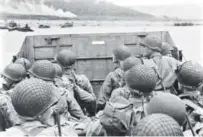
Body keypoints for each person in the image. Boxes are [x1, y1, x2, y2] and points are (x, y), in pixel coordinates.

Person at [1, 78, 78, 136]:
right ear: (41, 114)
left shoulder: (6, 134)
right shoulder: (60, 133)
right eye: (50, 107)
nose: (52, 110)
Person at [56, 50, 96, 116]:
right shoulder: (81, 78)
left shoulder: (60, 78)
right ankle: (91, 116)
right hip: (77, 107)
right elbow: (91, 99)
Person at [97, 45, 131, 111]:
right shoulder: (138, 72)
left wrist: (99, 111)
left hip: (116, 111)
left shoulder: (112, 75)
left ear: (116, 61)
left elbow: (102, 100)